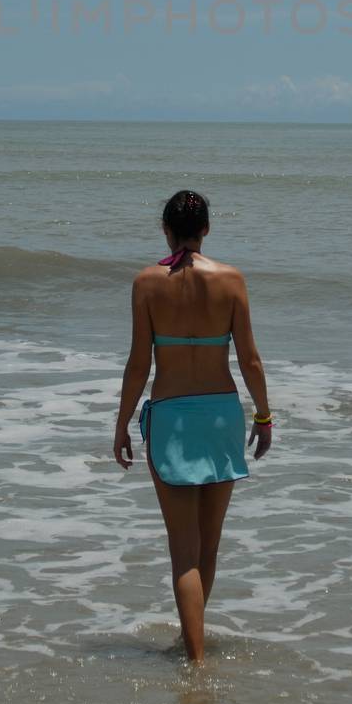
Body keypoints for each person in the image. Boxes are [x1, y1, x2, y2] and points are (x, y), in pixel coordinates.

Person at [113, 188, 272, 661]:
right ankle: (192, 641)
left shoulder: (146, 283)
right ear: (206, 229)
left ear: (166, 229)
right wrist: (263, 417)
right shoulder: (232, 279)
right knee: (209, 542)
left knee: (183, 550)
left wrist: (121, 424)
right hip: (221, 413)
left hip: (172, 417)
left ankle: (195, 661)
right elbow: (250, 360)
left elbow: (139, 362)